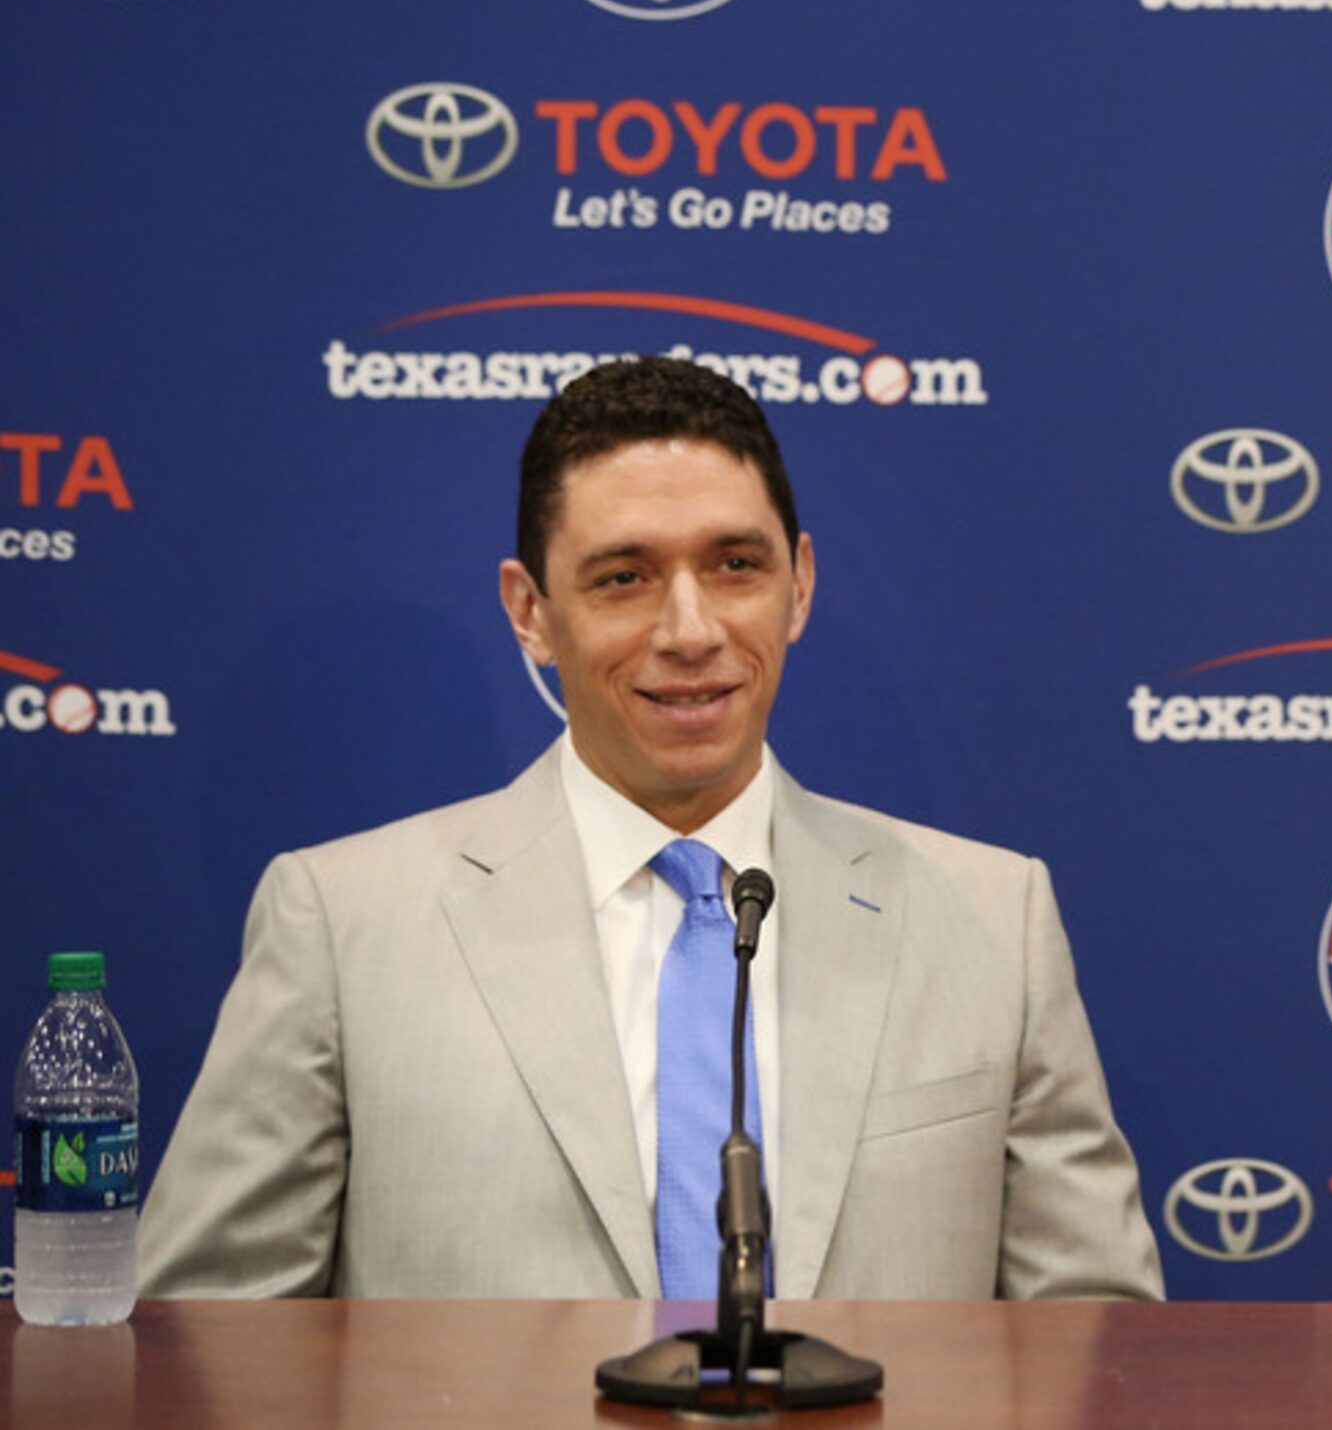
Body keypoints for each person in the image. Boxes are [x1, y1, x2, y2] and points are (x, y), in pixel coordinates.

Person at [141, 356, 1162, 1300]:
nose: (689, 631)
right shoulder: (343, 923)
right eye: (623, 577)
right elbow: (209, 1340)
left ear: (798, 583)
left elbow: (1099, 1349)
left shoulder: (992, 917)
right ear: (530, 613)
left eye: (734, 566)